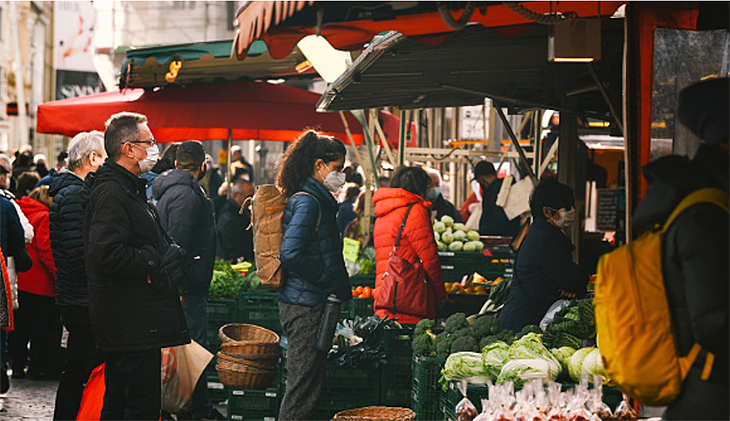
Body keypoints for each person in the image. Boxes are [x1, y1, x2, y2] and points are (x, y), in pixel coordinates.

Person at [81, 112, 189, 420]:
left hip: (133, 320)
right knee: (136, 405)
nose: (154, 148)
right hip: (129, 320)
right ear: (129, 148)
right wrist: (154, 257)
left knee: (122, 401)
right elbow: (105, 255)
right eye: (149, 142)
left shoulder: (127, 188)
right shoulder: (113, 192)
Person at [632, 78, 728, 420]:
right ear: (725, 141)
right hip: (711, 398)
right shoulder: (705, 214)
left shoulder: (707, 202)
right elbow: (715, 322)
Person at [276, 130, 351, 420]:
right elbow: (291, 254)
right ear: (319, 165)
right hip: (305, 305)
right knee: (302, 389)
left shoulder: (317, 199)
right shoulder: (309, 201)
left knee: (306, 385)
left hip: (309, 301)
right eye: (337, 169)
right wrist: (326, 277)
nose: (341, 176)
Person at [152, 140, 220, 420]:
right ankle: (194, 409)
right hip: (186, 288)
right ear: (202, 165)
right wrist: (179, 284)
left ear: (178, 163)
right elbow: (177, 243)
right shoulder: (186, 196)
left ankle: (192, 407)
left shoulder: (178, 191)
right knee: (194, 351)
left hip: (185, 285)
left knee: (189, 352)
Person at [49, 131, 106, 420]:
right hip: (81, 298)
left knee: (75, 366)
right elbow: (77, 252)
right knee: (86, 367)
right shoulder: (74, 194)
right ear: (91, 158)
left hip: (75, 295)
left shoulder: (72, 191)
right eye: (103, 159)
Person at [498, 180, 588, 333]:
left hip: (526, 319)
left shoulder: (540, 233)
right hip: (523, 324)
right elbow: (572, 279)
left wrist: (568, 287)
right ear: (548, 212)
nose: (572, 211)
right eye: (566, 208)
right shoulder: (546, 240)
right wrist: (571, 287)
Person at [372, 166, 446, 324]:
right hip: (410, 300)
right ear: (420, 187)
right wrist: (440, 295)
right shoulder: (416, 210)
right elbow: (430, 259)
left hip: (386, 294)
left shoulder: (383, 212)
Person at [10, 186, 60, 380]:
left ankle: (16, 365)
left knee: (19, 326)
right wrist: (58, 276)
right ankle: (35, 367)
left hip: (21, 280)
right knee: (40, 329)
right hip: (41, 284)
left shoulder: (20, 212)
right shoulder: (44, 217)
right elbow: (47, 251)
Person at [474, 161, 520, 237]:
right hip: (511, 236)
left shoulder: (492, 192)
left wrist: (481, 231)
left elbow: (497, 220)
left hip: (496, 237)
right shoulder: (507, 188)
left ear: (481, 178)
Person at [216, 179, 255, 262]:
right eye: (248, 196)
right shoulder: (228, 216)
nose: (251, 200)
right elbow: (231, 246)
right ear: (235, 195)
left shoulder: (243, 211)